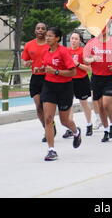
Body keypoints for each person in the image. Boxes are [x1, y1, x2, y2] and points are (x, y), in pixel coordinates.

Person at [40, 27, 81, 161]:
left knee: (64, 121)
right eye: (46, 36)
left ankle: (76, 132)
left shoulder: (63, 52)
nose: (47, 38)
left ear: (57, 38)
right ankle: (51, 150)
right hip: (49, 86)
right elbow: (48, 68)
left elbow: (73, 72)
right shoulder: (46, 51)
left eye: (50, 36)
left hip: (65, 87)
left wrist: (56, 72)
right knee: (48, 118)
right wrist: (41, 69)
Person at [84, 24, 112, 143]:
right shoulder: (91, 42)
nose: (102, 30)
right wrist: (92, 59)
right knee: (100, 106)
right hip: (96, 77)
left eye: (104, 27)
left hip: (110, 77)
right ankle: (106, 130)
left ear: (108, 29)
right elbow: (86, 59)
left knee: (106, 103)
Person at [21, 22, 54, 142]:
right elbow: (24, 61)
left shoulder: (50, 44)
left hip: (48, 77)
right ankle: (47, 128)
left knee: (46, 106)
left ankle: (49, 128)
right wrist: (27, 63)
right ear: (35, 31)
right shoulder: (29, 45)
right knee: (38, 106)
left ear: (46, 31)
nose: (40, 30)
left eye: (43, 28)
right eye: (38, 28)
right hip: (35, 78)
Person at [68, 31, 94, 136]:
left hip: (81, 79)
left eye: (76, 39)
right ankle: (70, 127)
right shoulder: (66, 51)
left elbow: (89, 68)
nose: (73, 41)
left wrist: (78, 64)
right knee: (68, 104)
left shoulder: (83, 51)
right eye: (72, 38)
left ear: (80, 41)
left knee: (84, 103)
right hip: (69, 80)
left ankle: (89, 124)